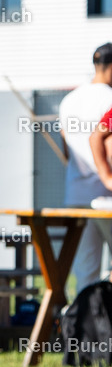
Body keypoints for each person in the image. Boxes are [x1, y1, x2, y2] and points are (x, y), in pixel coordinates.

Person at [61, 43, 112, 294]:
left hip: (76, 194)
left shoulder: (69, 99)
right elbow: (100, 139)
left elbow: (67, 150)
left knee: (85, 272)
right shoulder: (109, 98)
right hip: (105, 197)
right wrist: (106, 176)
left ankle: (86, 331)